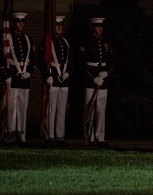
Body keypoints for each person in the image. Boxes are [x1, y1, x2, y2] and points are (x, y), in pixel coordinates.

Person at [1, 11, 35, 145]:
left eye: (22, 22)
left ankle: (21, 135)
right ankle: (10, 134)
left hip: (24, 78)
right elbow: (2, 58)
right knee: (11, 109)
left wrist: (30, 73)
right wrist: (6, 75)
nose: (21, 24)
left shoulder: (28, 39)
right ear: (14, 24)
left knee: (22, 108)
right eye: (18, 22)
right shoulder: (8, 38)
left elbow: (32, 59)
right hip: (13, 76)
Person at [80, 16, 113, 147]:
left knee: (101, 110)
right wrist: (93, 77)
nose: (100, 29)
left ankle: (100, 137)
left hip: (102, 80)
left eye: (101, 27)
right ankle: (88, 136)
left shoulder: (106, 42)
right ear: (92, 28)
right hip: (91, 80)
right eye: (98, 27)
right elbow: (83, 63)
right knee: (89, 110)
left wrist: (106, 73)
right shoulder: (87, 42)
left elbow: (111, 61)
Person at [39, 14, 72, 146]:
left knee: (61, 110)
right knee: (51, 110)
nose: (59, 28)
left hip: (63, 79)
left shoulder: (65, 42)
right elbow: (42, 60)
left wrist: (68, 73)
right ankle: (49, 136)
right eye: (57, 26)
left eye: (60, 26)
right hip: (53, 78)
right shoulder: (47, 41)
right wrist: (47, 75)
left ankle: (60, 136)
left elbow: (71, 60)